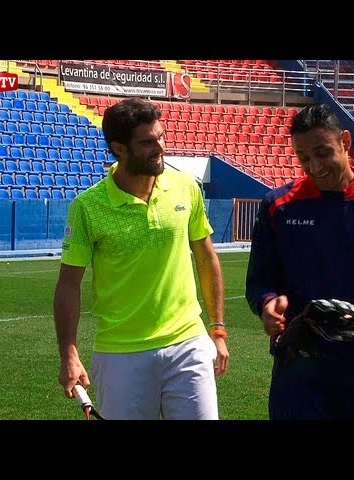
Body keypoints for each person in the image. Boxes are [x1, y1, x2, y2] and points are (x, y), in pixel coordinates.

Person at [54, 97, 229, 420]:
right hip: (121, 354)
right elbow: (68, 284)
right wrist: (69, 352)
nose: (160, 147)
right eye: (147, 142)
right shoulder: (87, 207)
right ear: (119, 148)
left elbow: (206, 257)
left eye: (161, 137)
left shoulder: (185, 187)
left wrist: (217, 330)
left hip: (188, 342)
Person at [245, 103, 354, 420]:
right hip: (297, 367)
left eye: (323, 153)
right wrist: (268, 305)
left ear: (346, 142)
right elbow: (259, 283)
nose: (314, 166)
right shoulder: (278, 205)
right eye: (304, 157)